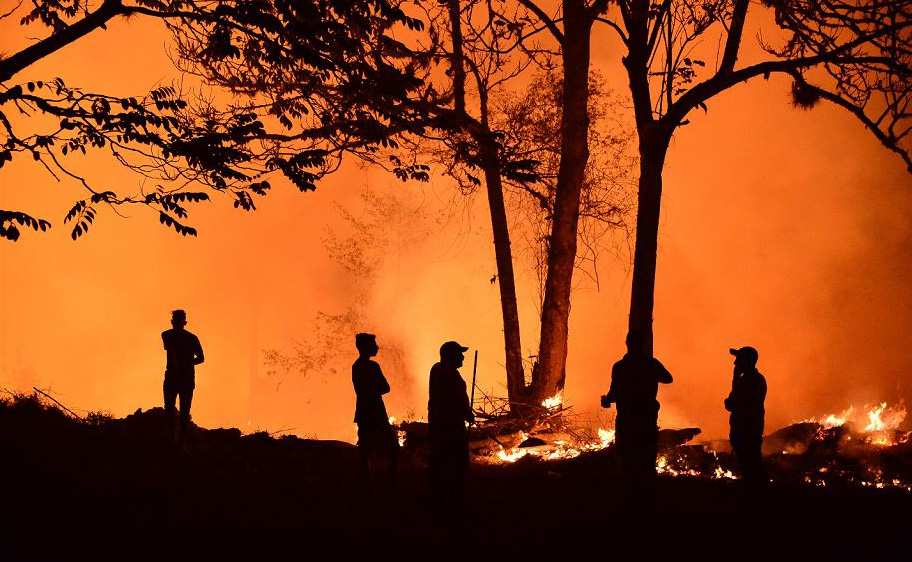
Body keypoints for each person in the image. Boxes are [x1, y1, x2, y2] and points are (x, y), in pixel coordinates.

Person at [601, 331, 673, 507]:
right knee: (646, 460)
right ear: (643, 345)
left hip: (627, 420)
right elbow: (668, 379)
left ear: (627, 343)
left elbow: (614, 394)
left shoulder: (620, 367)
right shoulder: (651, 364)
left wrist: (606, 400)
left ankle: (630, 502)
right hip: (646, 420)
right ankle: (647, 501)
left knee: (628, 460)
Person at [428, 340, 473, 518]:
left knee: (440, 463)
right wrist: (466, 413)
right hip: (451, 427)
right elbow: (455, 400)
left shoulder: (437, 369)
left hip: (439, 425)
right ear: (450, 356)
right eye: (459, 354)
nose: (462, 357)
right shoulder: (449, 375)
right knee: (456, 464)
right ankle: (454, 503)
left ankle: (439, 500)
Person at [351, 332, 398, 494]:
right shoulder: (372, 366)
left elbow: (362, 390)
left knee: (365, 452)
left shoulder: (356, 366)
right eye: (374, 344)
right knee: (393, 449)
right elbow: (386, 387)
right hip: (377, 414)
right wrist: (374, 389)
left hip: (363, 414)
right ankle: (393, 486)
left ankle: (367, 488)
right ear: (366, 347)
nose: (377, 347)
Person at [725, 346, 768, 494]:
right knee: (751, 466)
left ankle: (756, 499)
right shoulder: (753, 379)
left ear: (746, 361)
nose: (735, 363)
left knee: (751, 467)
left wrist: (735, 379)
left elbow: (732, 403)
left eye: (738, 359)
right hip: (747, 430)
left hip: (746, 432)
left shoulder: (750, 381)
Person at [162, 309, 204, 447]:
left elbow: (201, 358)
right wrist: (187, 363)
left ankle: (180, 442)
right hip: (176, 378)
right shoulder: (169, 335)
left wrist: (186, 363)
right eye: (176, 320)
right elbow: (200, 358)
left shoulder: (171, 336)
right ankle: (174, 441)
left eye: (179, 320)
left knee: (181, 410)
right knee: (172, 409)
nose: (177, 323)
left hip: (182, 379)